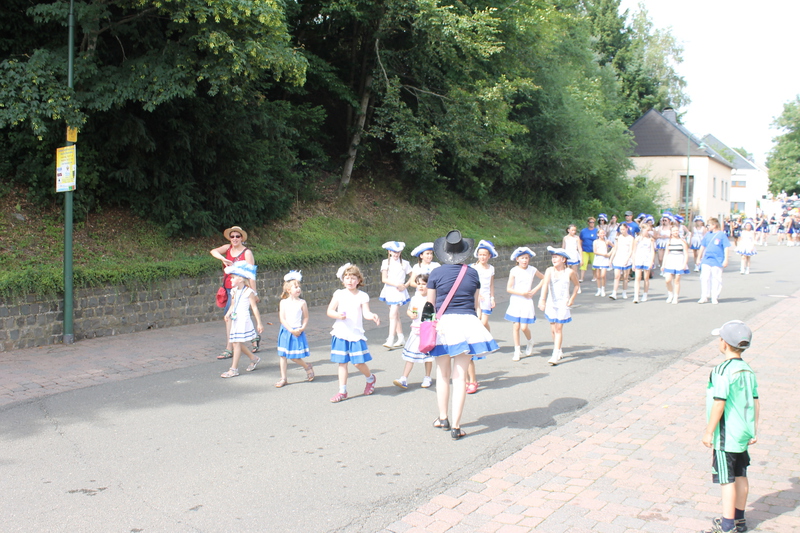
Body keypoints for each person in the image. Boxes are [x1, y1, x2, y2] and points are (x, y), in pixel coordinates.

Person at [427, 230, 499, 440]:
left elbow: (430, 306)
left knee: (442, 374)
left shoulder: (436, 273)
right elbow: (475, 305)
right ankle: (457, 426)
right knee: (460, 378)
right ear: (463, 253)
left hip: (443, 325)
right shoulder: (472, 273)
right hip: (467, 322)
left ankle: (443, 418)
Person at [701, 320, 759, 533]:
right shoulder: (747, 370)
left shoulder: (721, 370)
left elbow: (719, 401)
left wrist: (709, 431)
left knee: (727, 480)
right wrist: (753, 429)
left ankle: (727, 525)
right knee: (741, 475)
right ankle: (740, 519)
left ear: (724, 343)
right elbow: (755, 401)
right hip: (742, 432)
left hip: (726, 435)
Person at [327, 263, 381, 403]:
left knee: (358, 363)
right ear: (343, 280)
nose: (350, 281)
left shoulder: (362, 296)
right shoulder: (339, 294)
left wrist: (372, 316)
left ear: (358, 280)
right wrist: (338, 315)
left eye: (353, 278)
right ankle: (342, 391)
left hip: (355, 334)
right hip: (340, 333)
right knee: (342, 363)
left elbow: (366, 313)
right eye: (347, 278)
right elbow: (330, 311)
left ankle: (370, 378)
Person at [210, 226, 259, 360]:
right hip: (229, 287)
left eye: (238, 236)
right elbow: (213, 251)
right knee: (239, 315)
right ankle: (254, 337)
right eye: (232, 236)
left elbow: (251, 274)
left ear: (242, 238)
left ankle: (229, 348)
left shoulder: (247, 253)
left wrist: (254, 293)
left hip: (242, 289)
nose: (235, 239)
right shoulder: (227, 248)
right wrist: (223, 259)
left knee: (230, 315)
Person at [220, 261, 263, 378]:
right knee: (235, 342)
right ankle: (253, 358)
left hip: (243, 319)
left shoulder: (248, 291)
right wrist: (228, 313)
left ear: (240, 279)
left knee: (236, 343)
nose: (230, 280)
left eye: (233, 278)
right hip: (236, 318)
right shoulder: (234, 291)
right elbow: (233, 305)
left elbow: (254, 308)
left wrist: (259, 323)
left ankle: (233, 369)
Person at [538, 247, 579, 365]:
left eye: (556, 257)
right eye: (553, 257)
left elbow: (576, 285)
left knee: (558, 328)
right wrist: (542, 300)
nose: (554, 259)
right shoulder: (549, 270)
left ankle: (555, 354)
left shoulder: (569, 272)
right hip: (551, 303)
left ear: (563, 259)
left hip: (563, 303)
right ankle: (559, 349)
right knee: (553, 329)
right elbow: (545, 284)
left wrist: (572, 298)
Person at [393, 274, 434, 390]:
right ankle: (404, 378)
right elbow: (409, 310)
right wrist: (411, 314)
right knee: (410, 355)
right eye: (419, 284)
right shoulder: (415, 298)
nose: (421, 286)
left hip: (427, 331)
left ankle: (427, 377)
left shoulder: (432, 298)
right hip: (416, 330)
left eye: (424, 284)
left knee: (427, 356)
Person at [468, 240, 498, 393]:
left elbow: (491, 284)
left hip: (486, 297)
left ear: (489, 256)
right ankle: (482, 339)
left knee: (484, 322)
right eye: (480, 255)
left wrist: (492, 297)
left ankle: (486, 337)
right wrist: (476, 295)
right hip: (476, 297)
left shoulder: (491, 269)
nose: (482, 257)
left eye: (485, 255)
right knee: (478, 322)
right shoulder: (473, 268)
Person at [275, 271, 314, 388]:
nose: (298, 289)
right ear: (288, 290)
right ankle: (283, 378)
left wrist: (302, 328)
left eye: (299, 287)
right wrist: (290, 329)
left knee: (294, 356)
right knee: (283, 355)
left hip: (297, 331)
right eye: (295, 287)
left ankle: (306, 366)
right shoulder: (283, 302)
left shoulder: (302, 303)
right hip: (286, 331)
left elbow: (306, 317)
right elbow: (282, 318)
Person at [505, 247, 544, 362]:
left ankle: (530, 341)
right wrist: (522, 293)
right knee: (516, 326)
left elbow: (544, 278)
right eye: (522, 258)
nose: (524, 260)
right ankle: (517, 350)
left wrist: (535, 290)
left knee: (524, 327)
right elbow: (509, 288)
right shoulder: (514, 270)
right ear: (517, 259)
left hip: (527, 301)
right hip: (516, 300)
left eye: (526, 258)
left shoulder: (532, 269)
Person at [379, 241, 412, 348]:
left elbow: (413, 276)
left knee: (392, 315)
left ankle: (390, 339)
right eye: (394, 252)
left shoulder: (405, 263)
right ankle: (401, 337)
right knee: (396, 315)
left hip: (399, 292)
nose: (396, 254)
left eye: (398, 252)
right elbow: (384, 279)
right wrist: (397, 284)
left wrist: (405, 285)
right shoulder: (385, 263)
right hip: (389, 290)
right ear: (389, 251)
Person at [698, 218, 731, 305]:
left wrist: (726, 259)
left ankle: (714, 296)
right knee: (704, 278)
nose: (707, 227)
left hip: (717, 260)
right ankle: (704, 296)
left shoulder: (721, 235)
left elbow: (726, 247)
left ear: (714, 225)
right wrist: (699, 257)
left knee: (716, 278)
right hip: (707, 259)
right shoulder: (707, 235)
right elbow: (702, 246)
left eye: (709, 225)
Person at [662, 223, 690, 304]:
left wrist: (684, 264)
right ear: (671, 232)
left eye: (677, 230)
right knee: (668, 280)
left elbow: (686, 254)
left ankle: (676, 297)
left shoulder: (682, 241)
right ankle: (670, 294)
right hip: (670, 261)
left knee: (677, 280)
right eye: (674, 231)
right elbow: (666, 253)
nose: (675, 232)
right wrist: (663, 264)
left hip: (679, 260)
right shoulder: (669, 241)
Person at [608, 222, 633, 300]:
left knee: (625, 277)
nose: (622, 231)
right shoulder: (618, 237)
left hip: (626, 258)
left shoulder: (631, 238)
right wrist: (611, 259)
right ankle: (614, 293)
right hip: (618, 258)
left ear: (627, 229)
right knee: (617, 276)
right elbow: (615, 248)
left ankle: (624, 292)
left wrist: (627, 259)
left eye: (623, 229)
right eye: (621, 229)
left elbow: (631, 250)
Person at [631, 222, 655, 303]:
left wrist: (651, 261)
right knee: (637, 278)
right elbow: (634, 251)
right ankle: (636, 296)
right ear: (643, 230)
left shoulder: (650, 239)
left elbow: (652, 251)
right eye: (647, 230)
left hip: (647, 260)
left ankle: (645, 294)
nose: (648, 232)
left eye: (649, 230)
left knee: (646, 278)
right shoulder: (637, 239)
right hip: (639, 259)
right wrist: (633, 262)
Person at [592, 228, 611, 297]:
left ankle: (603, 289)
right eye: (601, 233)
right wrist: (603, 254)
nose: (602, 234)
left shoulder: (607, 241)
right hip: (598, 259)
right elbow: (595, 251)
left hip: (605, 260)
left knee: (603, 275)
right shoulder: (595, 242)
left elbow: (614, 247)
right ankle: (598, 289)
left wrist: (609, 254)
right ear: (598, 234)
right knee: (598, 276)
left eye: (603, 233)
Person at [578, 217, 598, 283]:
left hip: (593, 250)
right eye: (590, 222)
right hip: (584, 249)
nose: (592, 223)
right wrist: (579, 248)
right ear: (588, 223)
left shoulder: (596, 231)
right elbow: (580, 240)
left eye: (593, 222)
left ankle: (594, 276)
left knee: (594, 264)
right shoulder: (583, 231)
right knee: (583, 263)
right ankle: (581, 278)